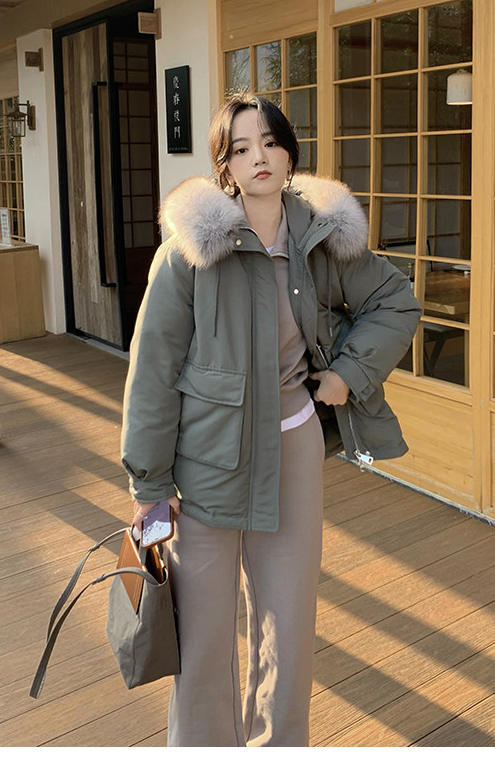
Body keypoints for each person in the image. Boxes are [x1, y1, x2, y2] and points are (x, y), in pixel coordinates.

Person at [121, 93, 421, 747]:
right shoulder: (188, 254)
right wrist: (150, 484)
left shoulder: (321, 240)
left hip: (293, 452)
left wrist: (346, 375)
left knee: (288, 631)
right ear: (224, 165)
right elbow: (152, 370)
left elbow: (395, 302)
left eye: (270, 142)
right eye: (241, 147)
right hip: (205, 467)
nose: (258, 156)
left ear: (289, 153)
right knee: (202, 641)